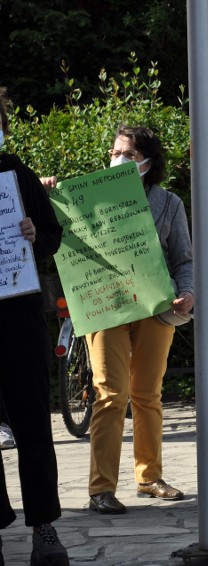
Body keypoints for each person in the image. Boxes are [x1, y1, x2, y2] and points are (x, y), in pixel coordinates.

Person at [85, 126, 194, 514]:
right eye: (114, 152)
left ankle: (149, 477)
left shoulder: (169, 203)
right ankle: (101, 488)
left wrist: (189, 292)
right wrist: (47, 192)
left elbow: (183, 259)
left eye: (128, 154)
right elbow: (59, 235)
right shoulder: (87, 198)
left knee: (147, 394)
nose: (118, 159)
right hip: (104, 306)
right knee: (110, 394)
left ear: (148, 161)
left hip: (154, 308)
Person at [0, 86, 69, 565]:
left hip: (19, 317)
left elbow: (53, 236)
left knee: (32, 424)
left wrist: (33, 235)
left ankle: (44, 526)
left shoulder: (15, 172)